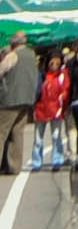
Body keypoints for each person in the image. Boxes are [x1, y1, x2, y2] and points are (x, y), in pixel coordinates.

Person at [0, 34, 35, 174]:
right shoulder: (32, 54)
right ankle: (15, 167)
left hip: (10, 99)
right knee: (17, 133)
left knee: (1, 133)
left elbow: (1, 70)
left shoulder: (13, 56)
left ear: (14, 43)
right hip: (27, 99)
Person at [32, 53, 68, 171]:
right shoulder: (41, 76)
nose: (54, 65)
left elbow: (65, 90)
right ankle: (37, 162)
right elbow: (36, 91)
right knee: (38, 138)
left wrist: (62, 100)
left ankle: (57, 160)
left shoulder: (62, 76)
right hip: (41, 109)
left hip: (56, 109)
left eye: (57, 62)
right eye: (52, 62)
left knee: (56, 136)